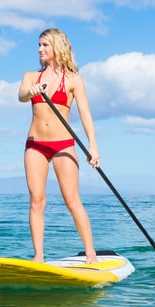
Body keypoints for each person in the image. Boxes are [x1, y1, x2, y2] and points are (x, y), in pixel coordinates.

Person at [17, 28, 100, 264]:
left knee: (72, 200)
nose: (39, 49)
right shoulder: (31, 77)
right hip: (36, 145)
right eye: (39, 45)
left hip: (63, 145)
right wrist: (30, 91)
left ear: (57, 47)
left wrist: (93, 147)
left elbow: (86, 115)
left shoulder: (74, 80)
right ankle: (39, 256)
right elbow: (22, 95)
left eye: (44, 45)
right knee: (36, 200)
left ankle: (91, 254)